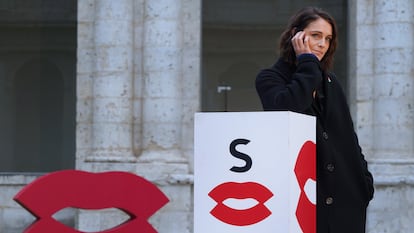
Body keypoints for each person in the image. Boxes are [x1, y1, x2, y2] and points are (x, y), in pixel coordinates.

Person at [255, 6, 374, 233]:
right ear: (296, 36)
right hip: (304, 199)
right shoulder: (270, 79)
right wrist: (307, 63)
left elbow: (348, 136)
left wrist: (364, 183)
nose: (322, 44)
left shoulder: (331, 82)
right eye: (316, 36)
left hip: (346, 197)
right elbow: (289, 108)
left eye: (328, 39)